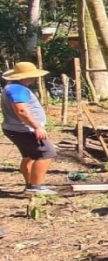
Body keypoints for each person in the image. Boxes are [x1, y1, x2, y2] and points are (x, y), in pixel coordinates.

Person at [1, 62, 57, 195]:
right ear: (24, 77)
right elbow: (21, 111)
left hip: (16, 128)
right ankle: (35, 187)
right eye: (32, 76)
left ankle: (30, 184)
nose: (34, 78)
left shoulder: (12, 87)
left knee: (29, 156)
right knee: (46, 154)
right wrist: (37, 127)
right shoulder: (17, 89)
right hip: (24, 129)